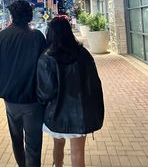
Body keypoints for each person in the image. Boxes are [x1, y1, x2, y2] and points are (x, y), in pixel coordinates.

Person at [37, 17, 104, 167]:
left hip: (56, 115)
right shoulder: (83, 54)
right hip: (81, 114)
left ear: (51, 34)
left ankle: (58, 165)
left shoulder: (46, 58)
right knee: (78, 152)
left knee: (58, 145)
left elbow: (45, 93)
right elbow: (94, 83)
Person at [0, 0, 46, 167]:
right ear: (28, 16)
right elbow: (45, 68)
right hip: (33, 100)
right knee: (34, 145)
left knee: (16, 139)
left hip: (10, 100)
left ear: (12, 16)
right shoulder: (37, 37)